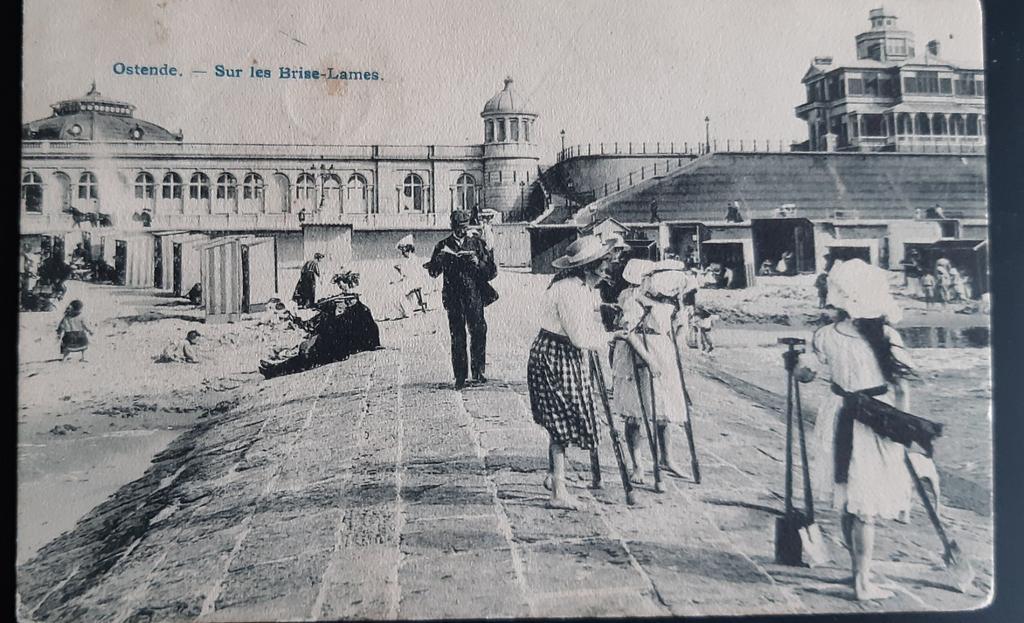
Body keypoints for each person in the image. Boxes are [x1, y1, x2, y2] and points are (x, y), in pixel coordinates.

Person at [798, 259, 918, 601]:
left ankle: (856, 574)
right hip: (876, 420)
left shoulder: (824, 335)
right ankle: (863, 582)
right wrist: (902, 431)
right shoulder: (886, 336)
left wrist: (794, 366)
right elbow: (902, 389)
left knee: (849, 500)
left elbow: (807, 375)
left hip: (838, 416)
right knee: (865, 507)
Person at [528, 236, 626, 509]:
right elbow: (580, 337)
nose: (610, 267)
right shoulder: (570, 290)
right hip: (555, 355)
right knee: (562, 422)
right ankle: (559, 492)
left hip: (561, 352)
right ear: (589, 267)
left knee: (562, 419)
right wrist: (612, 335)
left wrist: (605, 307)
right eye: (605, 262)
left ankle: (553, 475)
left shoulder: (580, 286)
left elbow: (586, 309)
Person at [611, 258, 694, 483]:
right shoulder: (635, 300)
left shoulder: (671, 302)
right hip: (638, 355)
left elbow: (676, 333)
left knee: (664, 409)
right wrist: (648, 360)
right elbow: (627, 333)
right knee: (635, 413)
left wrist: (681, 327)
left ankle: (666, 459)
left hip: (663, 353)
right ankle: (638, 465)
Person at [426, 210, 498, 389]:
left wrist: (478, 262)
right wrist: (440, 260)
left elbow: (492, 271)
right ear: (452, 226)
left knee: (479, 331)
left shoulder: (477, 244)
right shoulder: (442, 245)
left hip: (475, 296)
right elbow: (433, 273)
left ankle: (478, 372)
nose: (462, 231)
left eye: (465, 227)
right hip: (453, 298)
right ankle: (460, 376)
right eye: (459, 228)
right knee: (457, 336)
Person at [259, 296, 380, 379]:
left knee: (306, 360)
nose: (338, 305)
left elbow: (351, 335)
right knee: (304, 357)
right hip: (337, 345)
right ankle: (275, 368)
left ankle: (274, 370)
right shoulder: (352, 311)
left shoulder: (355, 313)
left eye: (340, 302)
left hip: (340, 349)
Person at [385, 235, 429, 319]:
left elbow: (410, 275)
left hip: (414, 282)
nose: (402, 253)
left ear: (408, 249)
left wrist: (400, 273)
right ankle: (397, 312)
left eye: (403, 250)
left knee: (397, 291)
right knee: (392, 288)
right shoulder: (407, 260)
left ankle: (407, 312)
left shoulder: (414, 259)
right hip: (409, 282)